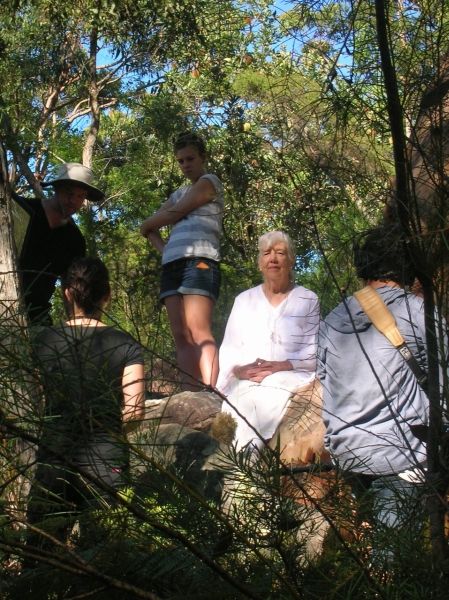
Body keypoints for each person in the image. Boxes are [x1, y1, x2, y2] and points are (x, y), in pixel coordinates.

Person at [318, 224, 431, 562]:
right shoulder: (416, 311)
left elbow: (324, 381)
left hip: (347, 454)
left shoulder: (332, 318)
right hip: (400, 456)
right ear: (405, 268)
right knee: (392, 562)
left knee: (374, 548)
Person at [28, 257, 145, 545]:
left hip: (54, 457)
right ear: (107, 294)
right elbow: (135, 411)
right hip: (107, 461)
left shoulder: (43, 341)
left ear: (67, 293)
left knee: (42, 554)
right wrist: (109, 430)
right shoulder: (126, 344)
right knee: (106, 554)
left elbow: (39, 398)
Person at [217, 231, 320, 451]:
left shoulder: (307, 298)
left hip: (292, 377)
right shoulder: (244, 300)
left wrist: (282, 365)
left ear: (291, 260)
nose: (273, 259)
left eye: (280, 253)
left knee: (275, 389)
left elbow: (314, 349)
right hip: (248, 380)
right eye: (266, 253)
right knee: (241, 402)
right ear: (260, 263)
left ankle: (255, 463)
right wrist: (240, 370)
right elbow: (229, 348)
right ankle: (244, 469)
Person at [140, 132, 224, 389]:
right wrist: (164, 249)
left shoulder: (210, 182)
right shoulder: (178, 192)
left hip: (200, 259)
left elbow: (174, 212)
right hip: (172, 264)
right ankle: (191, 392)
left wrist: (149, 223)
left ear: (203, 158)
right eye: (180, 161)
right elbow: (150, 227)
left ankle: (210, 392)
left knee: (199, 330)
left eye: (190, 159)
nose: (186, 165)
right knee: (180, 334)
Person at [12, 162, 104, 324]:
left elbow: (71, 287)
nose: (74, 201)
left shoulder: (74, 240)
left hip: (36, 315)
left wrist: (76, 326)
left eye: (80, 196)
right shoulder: (22, 210)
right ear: (56, 189)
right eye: (69, 193)